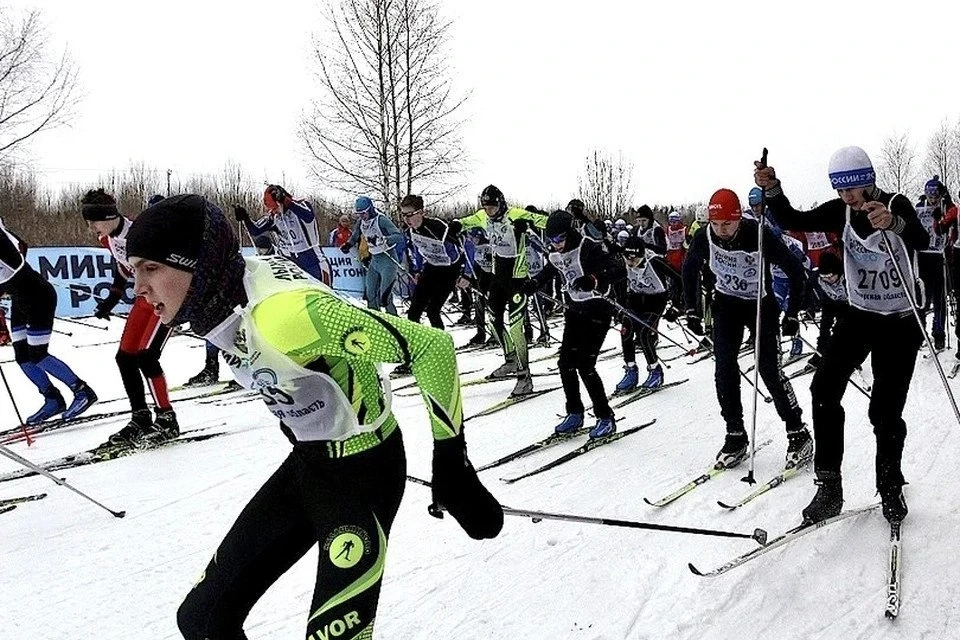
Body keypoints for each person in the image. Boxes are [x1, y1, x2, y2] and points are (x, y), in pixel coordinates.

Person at [124, 194, 503, 640]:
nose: (139, 288)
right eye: (134, 270)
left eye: (151, 268)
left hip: (365, 473)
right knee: (202, 621)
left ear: (198, 264)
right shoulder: (224, 298)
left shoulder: (284, 316)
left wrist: (452, 465)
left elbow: (430, 348)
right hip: (311, 465)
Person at [755, 145, 929, 524]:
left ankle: (890, 484)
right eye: (840, 189)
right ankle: (829, 484)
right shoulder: (841, 213)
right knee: (824, 388)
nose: (848, 196)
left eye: (854, 187)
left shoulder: (897, 204)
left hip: (900, 321)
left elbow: (921, 239)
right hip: (860, 314)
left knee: (884, 409)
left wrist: (893, 223)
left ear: (870, 180)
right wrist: (772, 189)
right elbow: (791, 219)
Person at [682, 188, 811, 470]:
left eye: (727, 224)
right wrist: (690, 308)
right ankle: (735, 434)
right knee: (724, 368)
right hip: (726, 305)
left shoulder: (759, 234)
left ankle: (797, 431)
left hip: (760, 306)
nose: (721, 230)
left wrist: (792, 314)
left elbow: (794, 269)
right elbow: (689, 270)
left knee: (769, 370)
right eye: (715, 224)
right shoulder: (705, 237)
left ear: (738, 218)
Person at [80, 188, 178, 443]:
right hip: (143, 301)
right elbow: (124, 268)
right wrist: (112, 298)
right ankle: (140, 417)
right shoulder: (108, 238)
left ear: (110, 216)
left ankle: (167, 418)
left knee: (147, 356)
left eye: (94, 221)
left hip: (163, 298)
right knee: (125, 358)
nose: (92, 228)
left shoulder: (140, 233)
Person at [526, 211, 625, 438]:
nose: (556, 244)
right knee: (565, 363)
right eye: (551, 240)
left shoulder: (589, 247)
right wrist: (535, 283)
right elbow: (550, 270)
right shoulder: (556, 252)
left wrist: (593, 279)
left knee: (585, 365)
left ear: (570, 233)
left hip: (598, 310)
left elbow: (618, 269)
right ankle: (575, 413)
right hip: (575, 311)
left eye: (559, 239)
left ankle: (605, 417)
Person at [0, 216, 96, 424]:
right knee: (22, 357)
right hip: (20, 300)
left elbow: (16, 261)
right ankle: (52, 399)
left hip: (38, 297)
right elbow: (22, 246)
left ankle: (82, 391)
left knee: (38, 355)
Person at [455, 185, 547, 396]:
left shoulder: (514, 214)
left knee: (516, 327)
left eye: (493, 207)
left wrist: (530, 223)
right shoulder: (482, 217)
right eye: (486, 207)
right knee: (492, 320)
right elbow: (465, 222)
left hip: (518, 280)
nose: (489, 211)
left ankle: (525, 377)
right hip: (499, 279)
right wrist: (455, 225)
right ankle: (510, 360)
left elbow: (545, 221)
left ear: (501, 203)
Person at [615, 236, 683, 393]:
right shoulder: (623, 262)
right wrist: (619, 305)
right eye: (627, 257)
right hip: (635, 299)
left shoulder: (655, 262)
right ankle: (631, 371)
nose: (630, 262)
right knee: (626, 330)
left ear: (642, 254)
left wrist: (677, 305)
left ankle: (655, 371)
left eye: (634, 258)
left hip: (655, 300)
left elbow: (679, 278)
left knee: (644, 334)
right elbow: (617, 281)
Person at [234, 184, 333, 286]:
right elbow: (255, 230)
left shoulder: (301, 204)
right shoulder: (274, 216)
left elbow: (308, 217)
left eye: (275, 208)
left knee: (324, 294)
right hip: (293, 265)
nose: (273, 211)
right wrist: (245, 218)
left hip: (314, 261)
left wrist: (286, 201)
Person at [401, 194, 463, 331]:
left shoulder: (437, 227)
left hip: (449, 271)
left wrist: (463, 274)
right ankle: (417, 346)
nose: (406, 219)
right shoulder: (411, 230)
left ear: (422, 213)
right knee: (413, 313)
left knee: (432, 311)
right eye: (404, 215)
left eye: (410, 214)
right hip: (431, 268)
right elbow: (418, 250)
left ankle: (442, 347)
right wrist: (417, 270)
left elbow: (458, 251)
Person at [340, 196, 405, 315]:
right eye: (358, 214)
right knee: (370, 294)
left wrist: (386, 239)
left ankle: (395, 322)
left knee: (385, 297)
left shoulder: (381, 220)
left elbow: (399, 236)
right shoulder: (361, 222)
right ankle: (376, 320)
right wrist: (348, 245)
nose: (361, 216)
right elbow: (355, 236)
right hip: (374, 261)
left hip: (388, 260)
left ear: (370, 209)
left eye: (363, 213)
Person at [914, 176, 949, 351]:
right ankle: (920, 333)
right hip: (922, 256)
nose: (932, 198)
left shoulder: (944, 206)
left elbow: (951, 216)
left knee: (939, 298)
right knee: (922, 298)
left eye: (936, 194)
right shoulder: (919, 207)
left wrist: (945, 197)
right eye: (930, 194)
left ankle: (939, 334)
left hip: (938, 255)